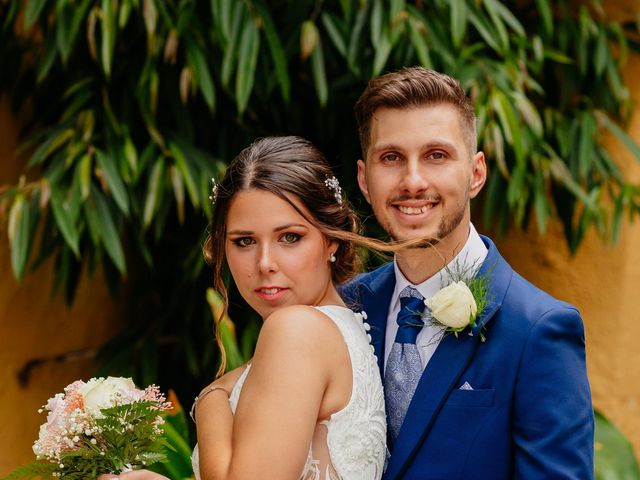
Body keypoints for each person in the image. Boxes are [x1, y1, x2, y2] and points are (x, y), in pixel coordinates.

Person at [339, 67, 594, 480]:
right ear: (365, 180)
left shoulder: (539, 330)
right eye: (391, 158)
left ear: (476, 173)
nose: (413, 181)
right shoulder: (345, 307)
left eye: (436, 156)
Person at [100, 136, 386, 480]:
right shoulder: (342, 331)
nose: (265, 263)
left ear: (332, 240)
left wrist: (211, 404)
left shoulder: (297, 331)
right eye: (244, 241)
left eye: (290, 237)